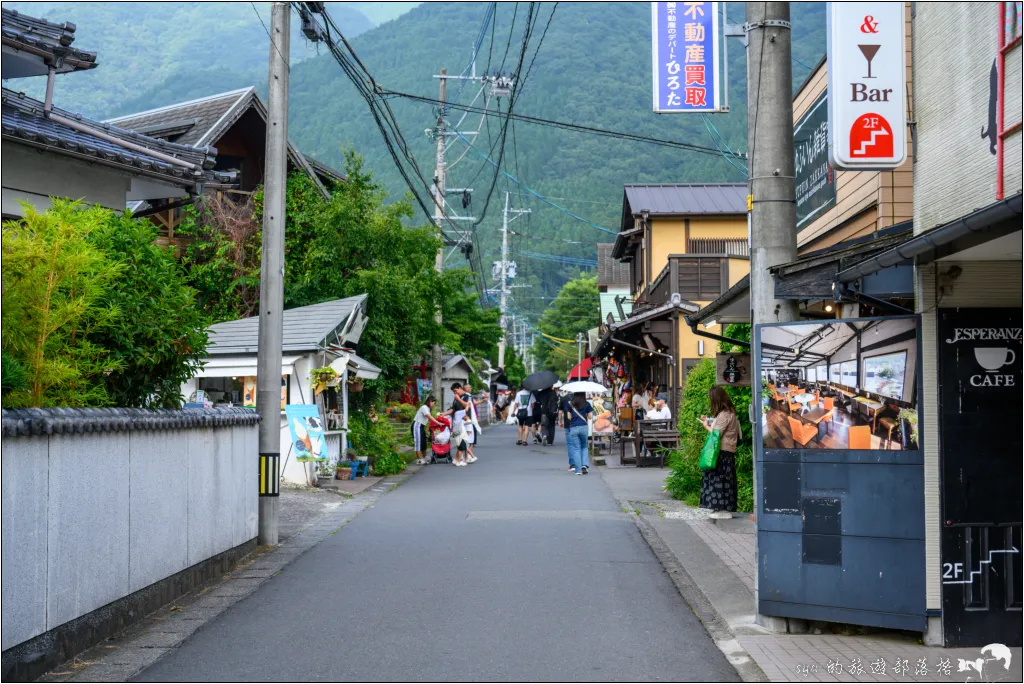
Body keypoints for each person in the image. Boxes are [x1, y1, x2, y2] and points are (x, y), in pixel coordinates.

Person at [699, 386, 741, 519]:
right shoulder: (729, 413)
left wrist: (706, 426)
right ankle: (721, 508)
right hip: (726, 451)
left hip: (722, 451)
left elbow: (717, 434)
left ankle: (722, 509)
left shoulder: (725, 414)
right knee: (724, 480)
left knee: (719, 480)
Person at [564, 392, 594, 475]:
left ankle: (578, 470)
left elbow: (569, 417)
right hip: (583, 427)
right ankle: (584, 465)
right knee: (584, 447)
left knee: (576, 448)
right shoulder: (586, 403)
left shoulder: (570, 404)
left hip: (573, 427)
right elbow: (590, 417)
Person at [412, 395, 443, 465]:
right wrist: (438, 422)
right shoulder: (424, 407)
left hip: (422, 426)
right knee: (418, 442)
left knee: (423, 442)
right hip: (417, 425)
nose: (433, 404)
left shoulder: (428, 409)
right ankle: (419, 459)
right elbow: (429, 417)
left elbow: (429, 419)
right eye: (433, 403)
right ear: (430, 401)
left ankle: (425, 457)